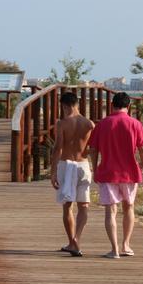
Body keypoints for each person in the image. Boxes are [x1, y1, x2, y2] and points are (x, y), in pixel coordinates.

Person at [88, 92, 143, 259]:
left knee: (110, 210)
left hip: (108, 172)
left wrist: (94, 168)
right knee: (129, 207)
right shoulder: (135, 124)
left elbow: (93, 150)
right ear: (128, 106)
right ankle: (126, 245)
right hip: (130, 173)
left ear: (112, 105)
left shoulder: (102, 125)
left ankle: (114, 249)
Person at [50, 91, 95, 257]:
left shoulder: (62, 123)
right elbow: (92, 148)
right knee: (84, 206)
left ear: (65, 106)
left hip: (66, 165)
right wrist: (95, 167)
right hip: (83, 165)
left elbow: (58, 148)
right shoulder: (89, 124)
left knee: (68, 206)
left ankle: (72, 242)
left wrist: (53, 171)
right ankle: (77, 238)